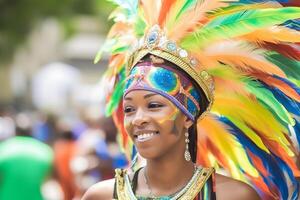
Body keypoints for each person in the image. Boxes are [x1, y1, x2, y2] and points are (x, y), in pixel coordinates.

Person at [83, 0, 300, 199]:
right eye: (129, 109)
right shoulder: (101, 196)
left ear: (188, 116)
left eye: (154, 105)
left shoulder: (233, 196)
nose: (138, 118)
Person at [0, 113, 53, 200]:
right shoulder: (45, 151)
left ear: (15, 132)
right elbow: (49, 180)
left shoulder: (3, 148)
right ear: (32, 132)